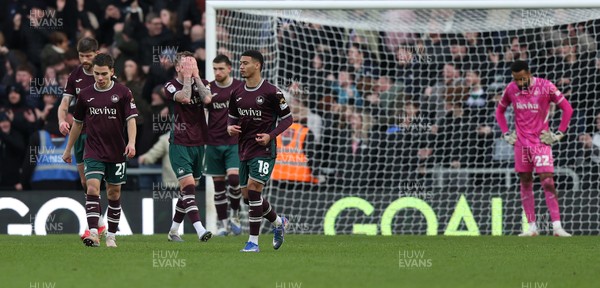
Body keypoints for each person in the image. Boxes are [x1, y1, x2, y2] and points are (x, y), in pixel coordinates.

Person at [62, 53, 138, 247]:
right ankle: (94, 233)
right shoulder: (85, 95)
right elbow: (78, 124)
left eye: (104, 74)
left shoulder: (123, 92)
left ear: (112, 72)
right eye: (96, 74)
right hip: (93, 149)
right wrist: (68, 149)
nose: (100, 78)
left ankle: (111, 235)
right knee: (92, 187)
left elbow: (131, 120)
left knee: (113, 193)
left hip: (117, 151)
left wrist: (131, 143)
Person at [495, 60, 573, 237]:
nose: (519, 83)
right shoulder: (511, 89)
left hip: (541, 142)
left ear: (529, 74)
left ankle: (557, 227)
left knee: (547, 181)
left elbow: (567, 109)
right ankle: (531, 227)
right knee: (525, 181)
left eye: (522, 79)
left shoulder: (546, 86)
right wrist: (506, 133)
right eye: (516, 79)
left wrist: (559, 133)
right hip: (521, 144)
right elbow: (499, 112)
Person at [227, 50, 292, 252]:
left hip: (264, 149)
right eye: (240, 63)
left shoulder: (273, 92)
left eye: (245, 63)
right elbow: (232, 117)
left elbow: (288, 119)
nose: (241, 67)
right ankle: (279, 222)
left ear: (258, 65)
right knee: (247, 197)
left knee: (255, 189)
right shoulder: (236, 92)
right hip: (244, 149)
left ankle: (253, 242)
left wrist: (270, 136)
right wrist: (230, 127)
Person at [56, 37, 107, 239]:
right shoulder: (75, 75)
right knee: (85, 183)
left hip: (99, 134)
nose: (85, 59)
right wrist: (61, 120)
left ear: (96, 53)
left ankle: (93, 228)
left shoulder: (104, 73)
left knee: (97, 184)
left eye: (89, 55)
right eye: (81, 55)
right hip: (79, 133)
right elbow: (64, 103)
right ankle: (100, 224)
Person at [163, 51, 213, 243]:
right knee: (189, 186)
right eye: (186, 64)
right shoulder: (169, 85)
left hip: (199, 142)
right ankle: (200, 229)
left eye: (193, 64)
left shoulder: (203, 82)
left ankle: (173, 231)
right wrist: (186, 78)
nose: (191, 68)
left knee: (188, 190)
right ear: (177, 67)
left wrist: (197, 77)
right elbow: (184, 97)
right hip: (180, 142)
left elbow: (207, 99)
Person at [205, 55, 244, 236]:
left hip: (234, 142)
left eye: (221, 68)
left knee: (235, 179)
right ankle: (222, 225)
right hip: (213, 142)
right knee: (218, 184)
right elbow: (204, 114)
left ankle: (235, 214)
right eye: (215, 69)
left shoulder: (239, 87)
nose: (217, 72)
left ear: (229, 68)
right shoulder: (209, 89)